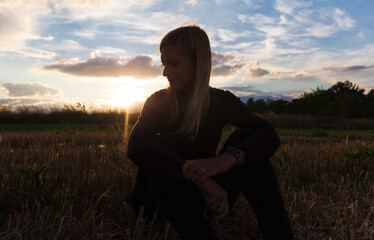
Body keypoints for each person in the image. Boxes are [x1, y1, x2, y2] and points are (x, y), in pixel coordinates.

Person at [127, 24, 294, 240]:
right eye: (164, 64)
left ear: (199, 63)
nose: (165, 72)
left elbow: (269, 134)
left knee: (244, 139)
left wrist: (227, 159)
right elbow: (135, 146)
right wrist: (195, 175)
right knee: (159, 143)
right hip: (161, 202)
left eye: (173, 64)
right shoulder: (158, 101)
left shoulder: (220, 101)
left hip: (204, 200)